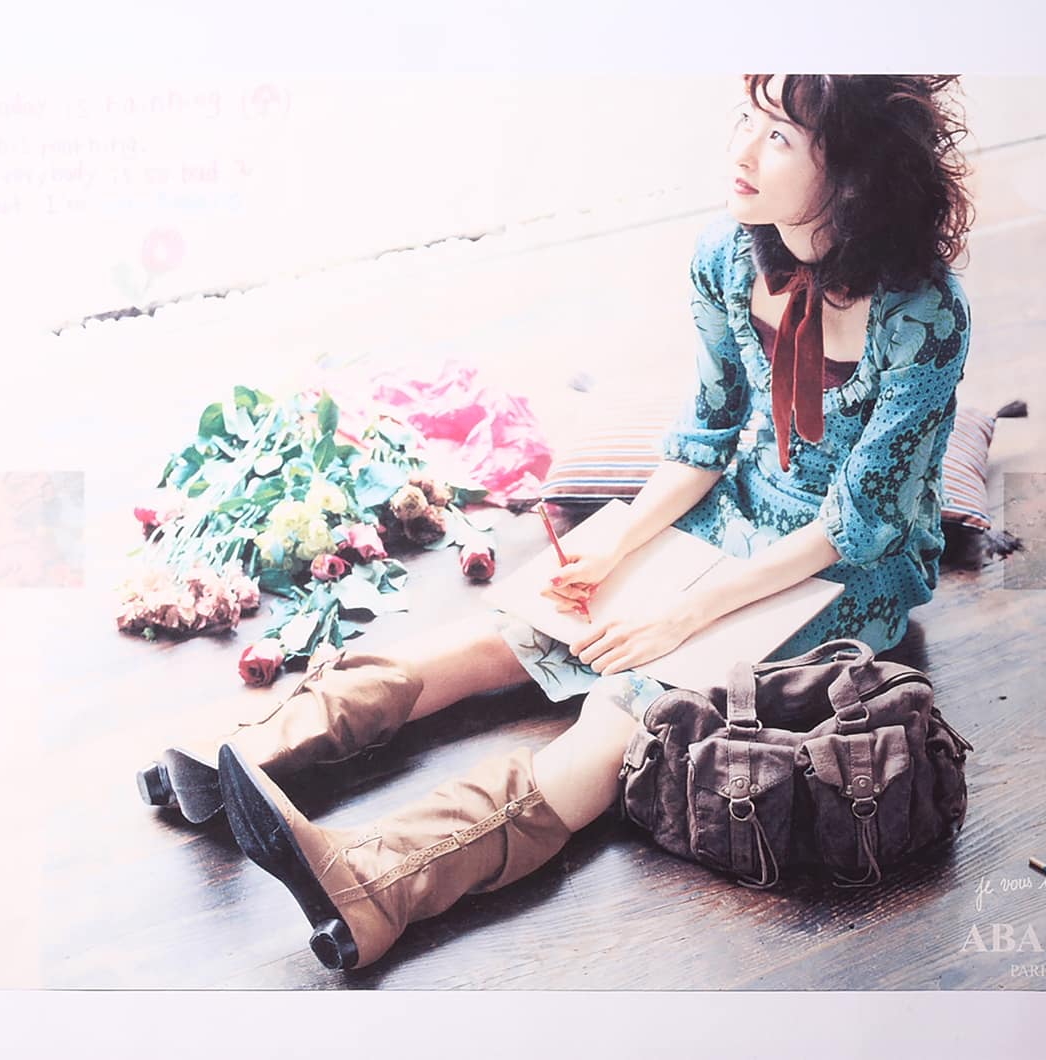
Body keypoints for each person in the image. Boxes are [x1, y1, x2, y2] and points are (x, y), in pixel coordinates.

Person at [138, 73, 976, 971]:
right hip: (736, 511)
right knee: (521, 626)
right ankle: (242, 757)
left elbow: (861, 522)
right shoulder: (729, 257)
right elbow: (707, 436)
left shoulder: (923, 314)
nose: (740, 150)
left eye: (778, 137)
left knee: (627, 708)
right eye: (747, 118)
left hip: (850, 570)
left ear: (852, 169)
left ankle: (377, 883)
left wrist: (682, 614)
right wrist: (618, 544)